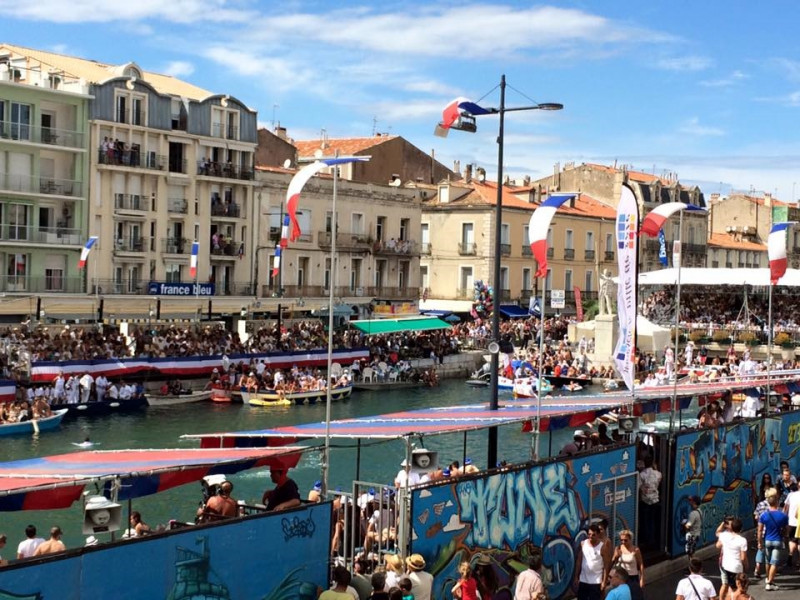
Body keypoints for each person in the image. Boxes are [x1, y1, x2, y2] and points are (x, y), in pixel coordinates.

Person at [758, 488, 788, 591]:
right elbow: (785, 530)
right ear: (777, 500)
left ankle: (768, 579)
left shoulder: (764, 515)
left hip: (767, 540)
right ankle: (770, 582)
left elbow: (760, 530)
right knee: (774, 562)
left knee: (767, 561)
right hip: (777, 540)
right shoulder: (783, 516)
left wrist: (759, 542)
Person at [716, 517, 748, 600]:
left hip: (725, 566)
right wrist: (746, 567)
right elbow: (743, 558)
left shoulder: (723, 536)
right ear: (741, 529)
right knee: (738, 589)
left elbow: (718, 532)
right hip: (736, 568)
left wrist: (723, 523)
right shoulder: (742, 540)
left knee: (730, 587)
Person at [574, 524, 606, 600]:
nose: (591, 536)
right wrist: (576, 576)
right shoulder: (583, 544)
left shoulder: (602, 547)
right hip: (583, 580)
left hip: (596, 581)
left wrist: (604, 581)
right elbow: (579, 561)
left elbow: (606, 566)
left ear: (598, 534)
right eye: (589, 534)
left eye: (593, 535)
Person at [611, 529, 644, 600]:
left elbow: (641, 564)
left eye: (625, 540)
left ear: (630, 539)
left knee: (635, 596)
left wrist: (642, 579)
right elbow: (613, 562)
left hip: (633, 578)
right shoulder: (618, 548)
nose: (623, 542)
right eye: (621, 540)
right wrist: (616, 556)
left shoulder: (636, 550)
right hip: (622, 578)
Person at [638, 455, 662, 548]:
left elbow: (639, 486)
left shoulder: (642, 475)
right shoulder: (658, 474)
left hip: (645, 500)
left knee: (645, 521)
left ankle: (647, 540)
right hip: (655, 499)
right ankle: (652, 539)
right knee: (652, 520)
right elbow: (659, 482)